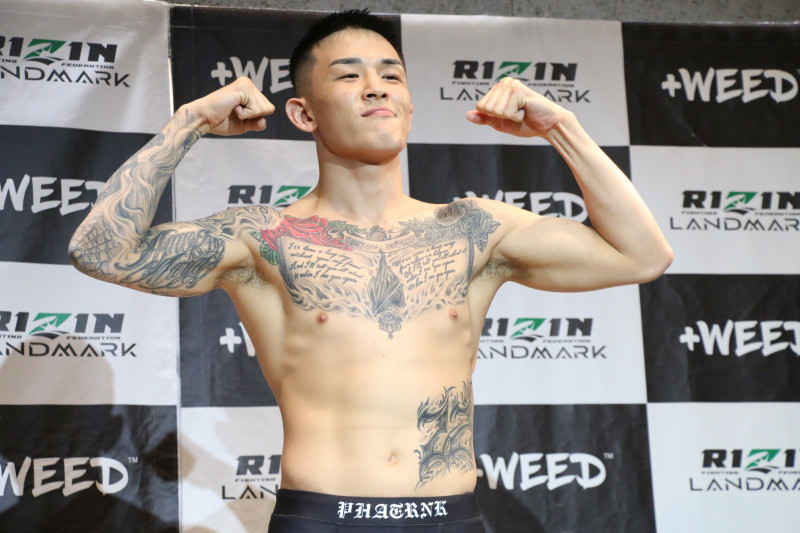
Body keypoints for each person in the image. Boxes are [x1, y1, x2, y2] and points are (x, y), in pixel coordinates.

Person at [68, 9, 672, 533]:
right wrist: (189, 123)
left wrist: (559, 127)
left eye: (391, 75)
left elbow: (643, 255)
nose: (376, 88)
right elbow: (101, 251)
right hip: (322, 518)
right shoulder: (264, 238)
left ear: (409, 104)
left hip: (449, 517)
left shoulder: (474, 229)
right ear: (303, 113)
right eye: (349, 75)